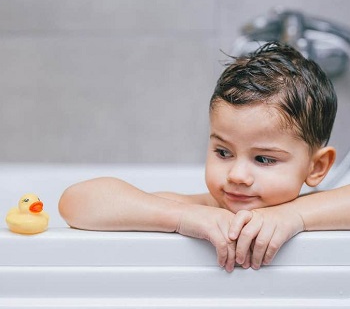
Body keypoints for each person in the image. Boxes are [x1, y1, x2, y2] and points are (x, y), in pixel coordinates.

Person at [59, 42, 350, 273]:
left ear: (317, 167)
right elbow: (76, 202)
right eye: (223, 152)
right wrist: (184, 217)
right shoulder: (194, 209)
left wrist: (293, 216)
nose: (236, 175)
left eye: (263, 159)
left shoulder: (313, 209)